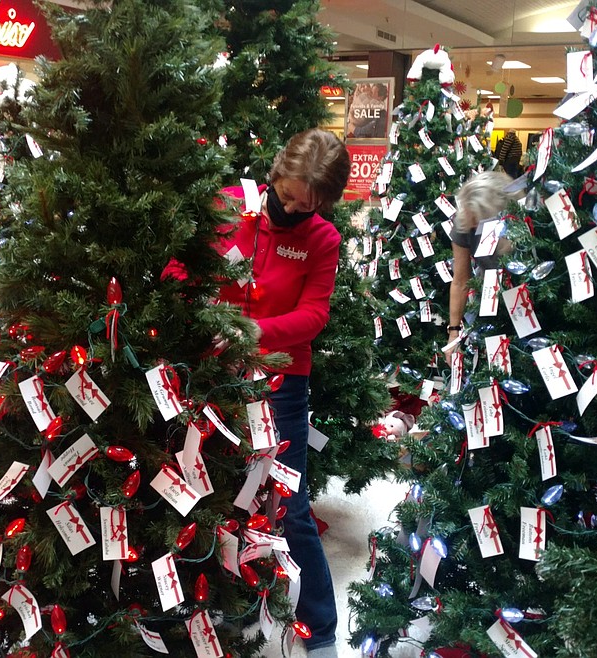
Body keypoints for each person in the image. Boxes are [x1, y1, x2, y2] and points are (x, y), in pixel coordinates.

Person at [213, 129, 350, 658]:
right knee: (213, 500)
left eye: (307, 205)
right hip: (215, 381)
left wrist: (254, 333)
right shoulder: (230, 207)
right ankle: (222, 617)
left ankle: (322, 636)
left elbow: (314, 315)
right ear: (273, 174)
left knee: (290, 509)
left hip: (280, 384)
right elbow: (182, 268)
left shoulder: (322, 239)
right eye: (287, 196)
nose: (291, 210)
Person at [447, 170, 515, 348]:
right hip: (487, 296)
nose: (473, 225)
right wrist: (453, 331)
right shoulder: (465, 221)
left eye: (479, 219)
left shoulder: (519, 221)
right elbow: (461, 280)